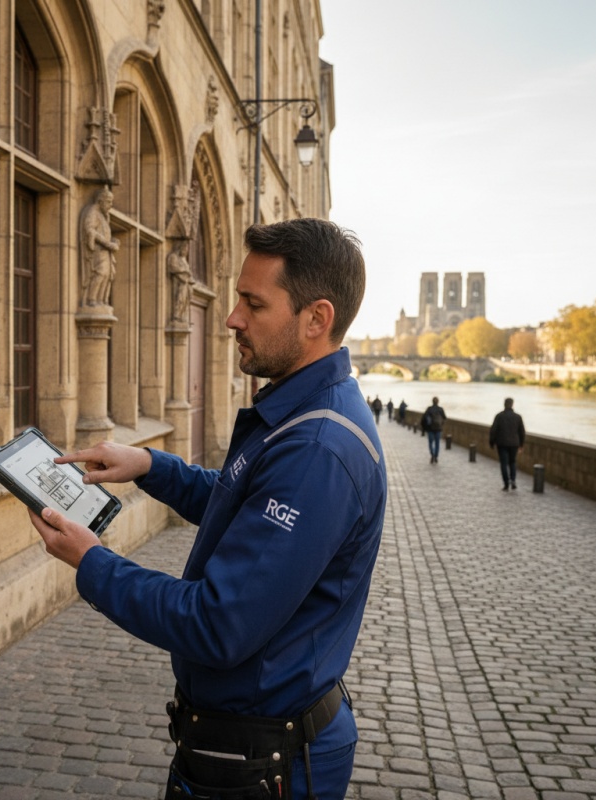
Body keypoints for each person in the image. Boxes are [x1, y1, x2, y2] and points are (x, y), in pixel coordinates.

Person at [28, 218, 387, 800]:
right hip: (245, 748)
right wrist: (150, 466)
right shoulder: (303, 411)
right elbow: (241, 499)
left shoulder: (317, 448)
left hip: (260, 766)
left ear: (316, 319)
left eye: (253, 303)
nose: (231, 318)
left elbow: (217, 624)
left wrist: (92, 562)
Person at [80, 186, 119, 306]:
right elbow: (89, 229)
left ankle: (101, 300)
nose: (111, 205)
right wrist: (107, 243)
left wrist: (114, 241)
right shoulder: (93, 211)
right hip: (98, 251)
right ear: (100, 201)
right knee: (100, 272)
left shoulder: (103, 215)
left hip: (105, 251)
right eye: (108, 202)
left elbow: (103, 233)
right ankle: (91, 299)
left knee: (108, 275)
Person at [489, 397, 526, 491]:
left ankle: (506, 483)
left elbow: (493, 430)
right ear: (512, 404)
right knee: (512, 462)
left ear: (504, 404)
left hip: (502, 444)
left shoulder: (499, 416)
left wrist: (491, 442)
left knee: (504, 463)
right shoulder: (518, 417)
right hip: (514, 444)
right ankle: (513, 480)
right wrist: (521, 444)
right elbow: (522, 432)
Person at [421, 396, 446, 463]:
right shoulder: (441, 409)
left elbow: (423, 419)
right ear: (438, 402)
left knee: (430, 443)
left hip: (430, 429)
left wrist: (424, 429)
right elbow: (444, 418)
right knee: (437, 443)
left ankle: (432, 454)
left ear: (432, 401)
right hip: (438, 429)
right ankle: (436, 455)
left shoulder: (429, 409)